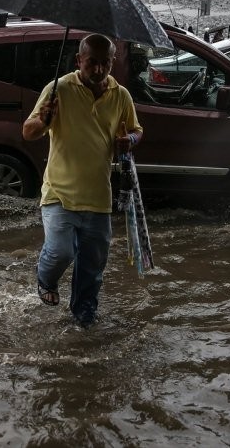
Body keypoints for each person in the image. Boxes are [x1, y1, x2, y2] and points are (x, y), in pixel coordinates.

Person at [22, 34, 143, 328]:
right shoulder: (58, 89)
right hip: (59, 193)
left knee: (93, 266)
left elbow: (137, 130)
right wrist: (43, 121)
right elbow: (28, 131)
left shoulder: (121, 95)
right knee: (62, 251)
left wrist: (129, 140)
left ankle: (84, 316)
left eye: (105, 63)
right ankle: (46, 279)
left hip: (99, 196)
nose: (99, 70)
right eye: (92, 63)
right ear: (79, 61)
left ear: (112, 63)